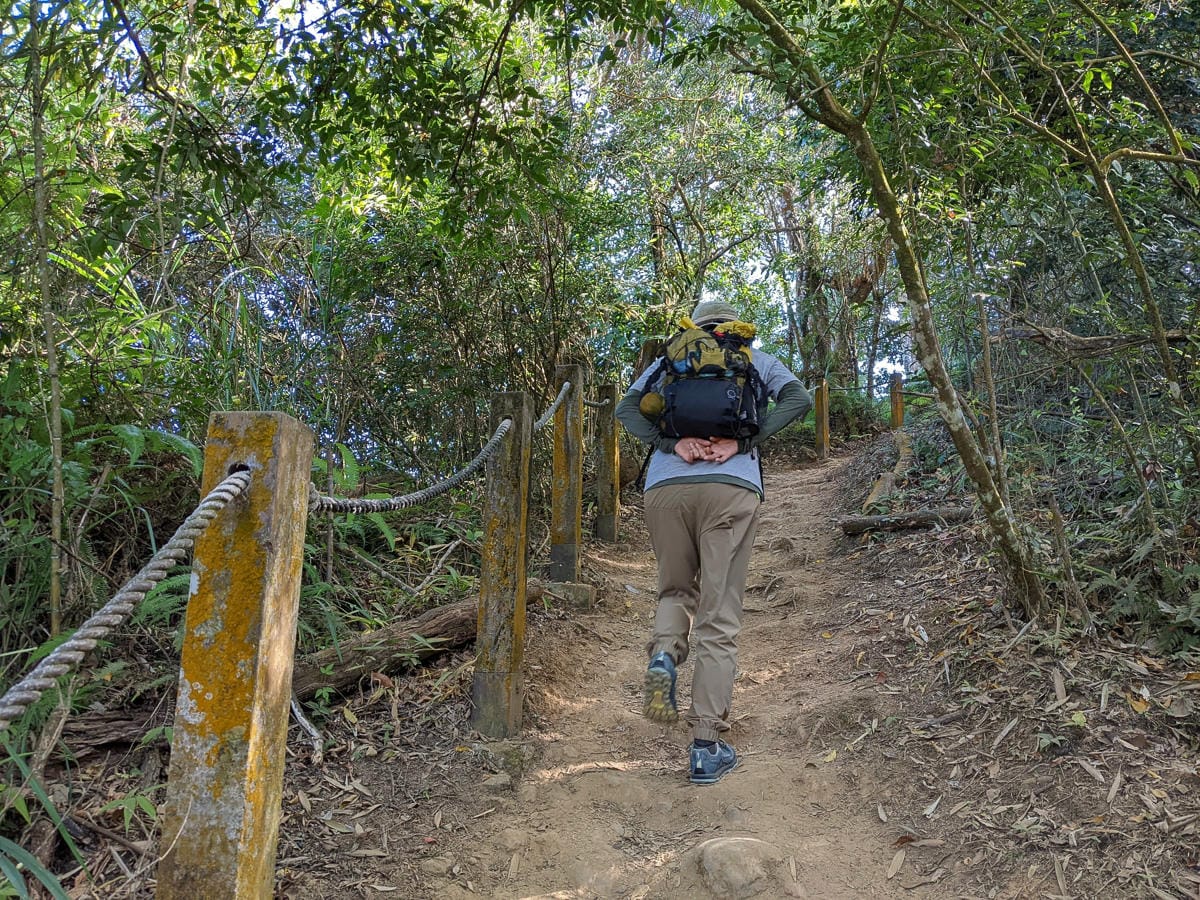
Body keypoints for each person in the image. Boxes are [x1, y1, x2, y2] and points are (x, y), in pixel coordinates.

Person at [615, 299, 812, 785]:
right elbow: (798, 400)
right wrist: (741, 443)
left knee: (676, 591)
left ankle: (665, 654)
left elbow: (625, 409)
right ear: (730, 325)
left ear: (696, 326)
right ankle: (706, 745)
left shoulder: (669, 361)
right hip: (731, 488)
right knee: (718, 615)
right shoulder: (750, 357)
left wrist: (671, 444)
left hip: (666, 489)